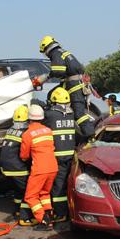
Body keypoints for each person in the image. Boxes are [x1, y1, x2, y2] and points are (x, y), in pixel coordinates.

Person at [39, 36, 94, 139]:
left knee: (79, 114)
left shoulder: (55, 53)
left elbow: (58, 71)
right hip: (74, 83)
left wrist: (45, 77)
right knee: (51, 94)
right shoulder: (62, 52)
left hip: (74, 85)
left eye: (44, 51)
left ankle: (90, 136)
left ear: (46, 48)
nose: (45, 54)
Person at [21, 105, 58, 230]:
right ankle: (49, 215)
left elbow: (24, 155)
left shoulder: (28, 134)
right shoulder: (48, 130)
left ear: (29, 118)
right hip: (53, 167)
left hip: (39, 169)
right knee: (44, 193)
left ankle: (43, 220)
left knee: (30, 196)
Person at [0, 105, 36, 226]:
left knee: (18, 189)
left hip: (5, 167)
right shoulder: (25, 132)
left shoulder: (10, 130)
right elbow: (26, 153)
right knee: (28, 191)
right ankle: (25, 218)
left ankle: (17, 211)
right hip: (17, 168)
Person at [43, 88, 76, 222]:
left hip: (58, 157)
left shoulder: (50, 115)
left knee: (58, 186)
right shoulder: (72, 114)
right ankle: (69, 209)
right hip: (71, 156)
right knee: (68, 184)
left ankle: (60, 213)